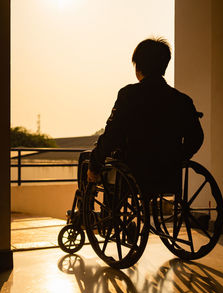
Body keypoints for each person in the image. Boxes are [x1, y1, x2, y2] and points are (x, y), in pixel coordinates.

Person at [87, 37, 204, 196]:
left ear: (138, 67)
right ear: (164, 66)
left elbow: (112, 135)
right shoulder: (182, 101)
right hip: (168, 173)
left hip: (134, 172)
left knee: (87, 159)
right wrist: (177, 158)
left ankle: (88, 211)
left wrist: (94, 164)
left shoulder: (129, 95)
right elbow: (196, 137)